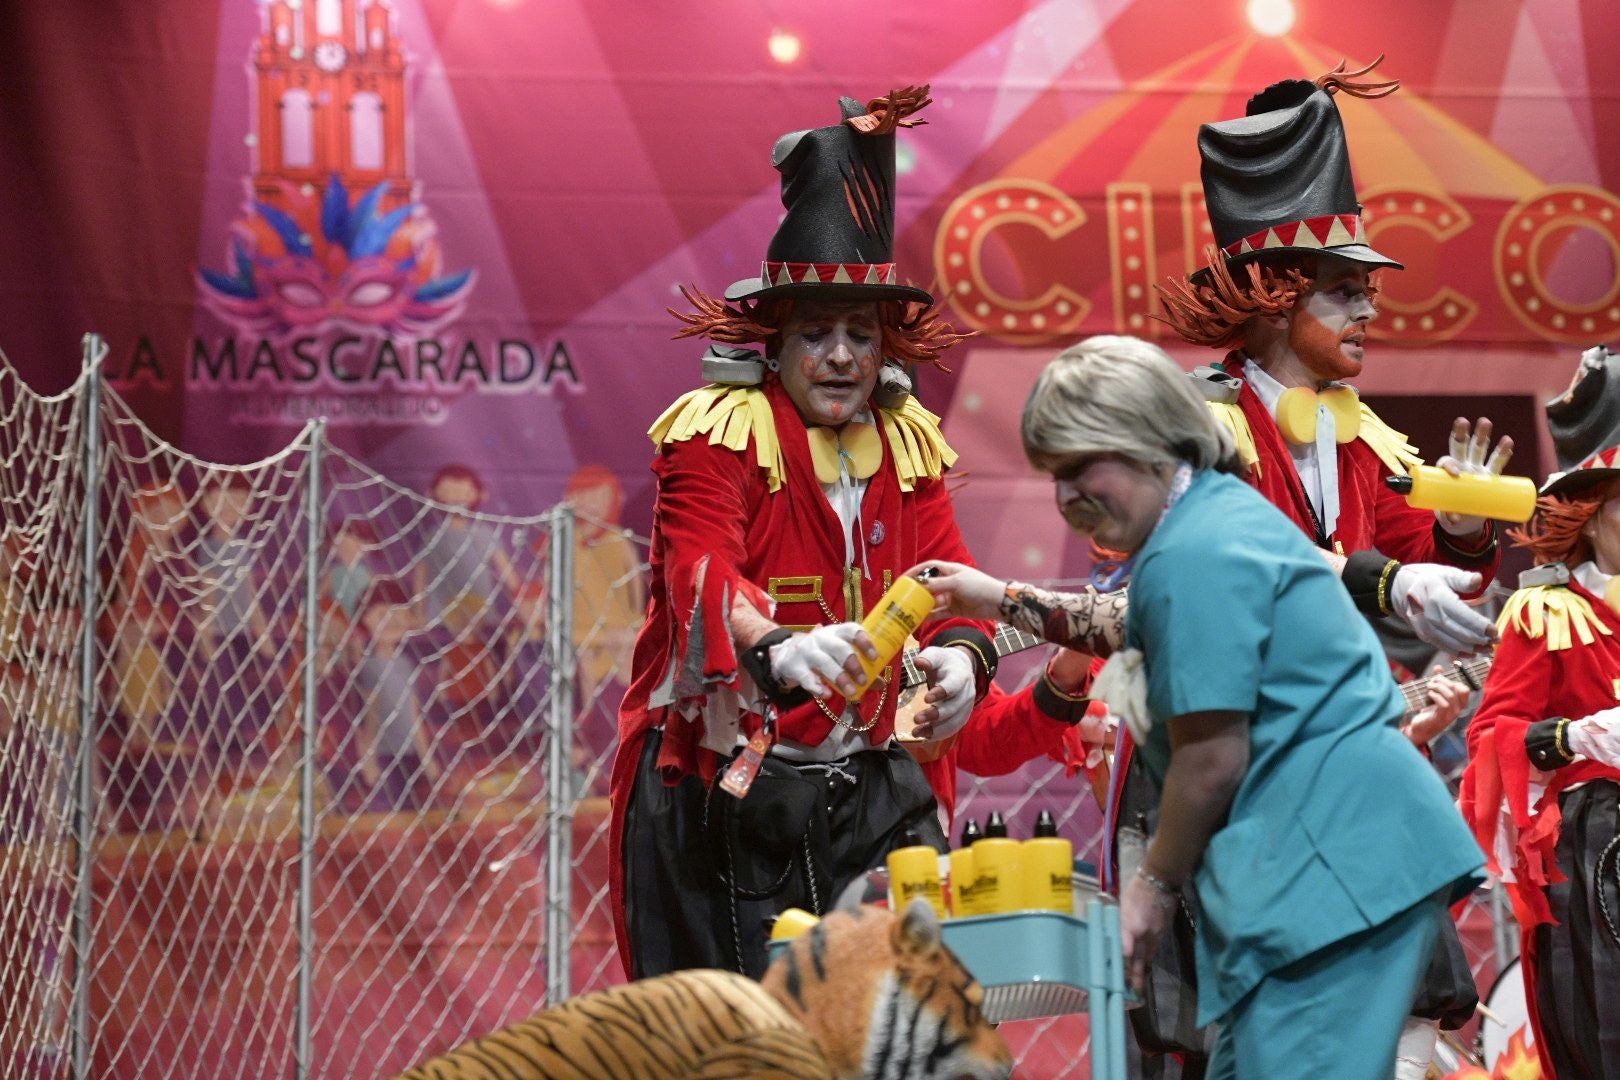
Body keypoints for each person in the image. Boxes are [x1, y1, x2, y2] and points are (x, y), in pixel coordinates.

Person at [913, 336, 1484, 1080]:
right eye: (1057, 474)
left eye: (1085, 467)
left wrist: (1150, 886)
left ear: (1154, 444)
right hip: (1308, 887)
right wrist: (1000, 597)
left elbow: (1213, 757)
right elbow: (1131, 620)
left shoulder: (1197, 550)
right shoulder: (1201, 527)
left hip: (1334, 886)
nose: (1067, 497)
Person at [1147, 59, 1508, 1076]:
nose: (1368, 311)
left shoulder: (1355, 431)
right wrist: (1389, 584)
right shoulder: (1200, 420)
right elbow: (1244, 563)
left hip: (1341, 761)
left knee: (1395, 1029)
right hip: (1235, 770)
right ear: (1271, 299)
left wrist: (1467, 539)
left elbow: (1412, 557)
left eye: (1368, 290)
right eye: (1344, 292)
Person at [608, 85, 1012, 981]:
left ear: (885, 348)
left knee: (902, 1027)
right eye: (816, 332)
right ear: (775, 344)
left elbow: (954, 580)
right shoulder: (718, 430)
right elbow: (696, 569)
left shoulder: (908, 440)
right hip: (730, 791)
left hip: (870, 789)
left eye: (860, 335)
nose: (840, 356)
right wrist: (776, 647)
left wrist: (965, 659)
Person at [1459, 436, 1620, 1077]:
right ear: (1590, 513)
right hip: (1598, 849)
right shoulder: (1548, 610)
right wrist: (1577, 738)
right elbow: (1492, 739)